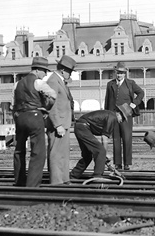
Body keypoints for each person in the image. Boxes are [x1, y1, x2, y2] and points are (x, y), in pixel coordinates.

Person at [12, 56, 57, 187]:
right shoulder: (39, 83)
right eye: (44, 71)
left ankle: (19, 181)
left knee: (19, 150)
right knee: (38, 152)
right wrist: (46, 108)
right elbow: (53, 95)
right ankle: (32, 185)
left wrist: (17, 118)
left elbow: (13, 105)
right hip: (34, 116)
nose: (45, 75)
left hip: (20, 117)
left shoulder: (17, 84)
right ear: (37, 70)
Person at [71, 103, 133, 179]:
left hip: (80, 126)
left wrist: (103, 156)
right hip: (83, 127)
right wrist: (104, 154)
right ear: (119, 114)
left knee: (87, 155)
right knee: (100, 151)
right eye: (123, 118)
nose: (121, 121)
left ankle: (73, 175)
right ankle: (97, 176)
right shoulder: (112, 117)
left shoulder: (110, 115)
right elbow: (104, 138)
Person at [104, 61, 144, 170]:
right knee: (116, 140)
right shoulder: (110, 84)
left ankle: (127, 164)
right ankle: (118, 163)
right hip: (114, 115)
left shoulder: (130, 83)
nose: (119, 75)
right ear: (115, 72)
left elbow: (141, 93)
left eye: (121, 73)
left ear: (125, 74)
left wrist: (132, 104)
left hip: (127, 116)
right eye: (118, 72)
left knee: (127, 139)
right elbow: (107, 101)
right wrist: (107, 115)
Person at [45, 55, 76, 185]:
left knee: (63, 153)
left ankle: (64, 178)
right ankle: (56, 181)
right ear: (63, 70)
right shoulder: (53, 81)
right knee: (56, 153)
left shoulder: (60, 81)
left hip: (64, 122)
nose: (70, 74)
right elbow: (51, 106)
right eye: (69, 71)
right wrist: (57, 125)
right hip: (58, 124)